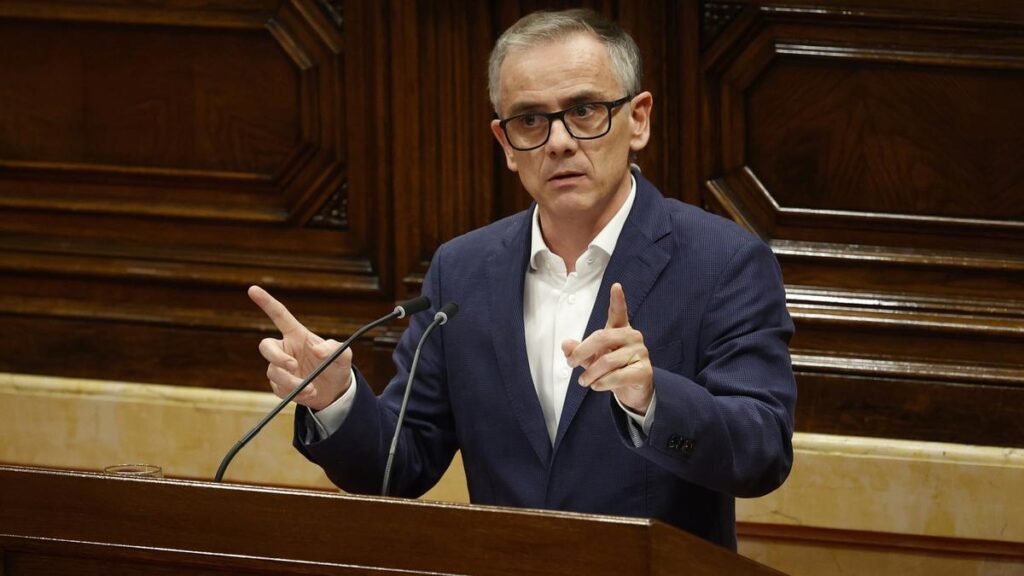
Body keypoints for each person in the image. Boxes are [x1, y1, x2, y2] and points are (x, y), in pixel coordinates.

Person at [250, 8, 796, 550]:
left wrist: (652, 399)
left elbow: (762, 453)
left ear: (638, 119)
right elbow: (399, 465)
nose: (558, 141)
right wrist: (335, 398)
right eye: (530, 120)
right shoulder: (462, 271)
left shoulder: (724, 261)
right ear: (506, 143)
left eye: (584, 110)